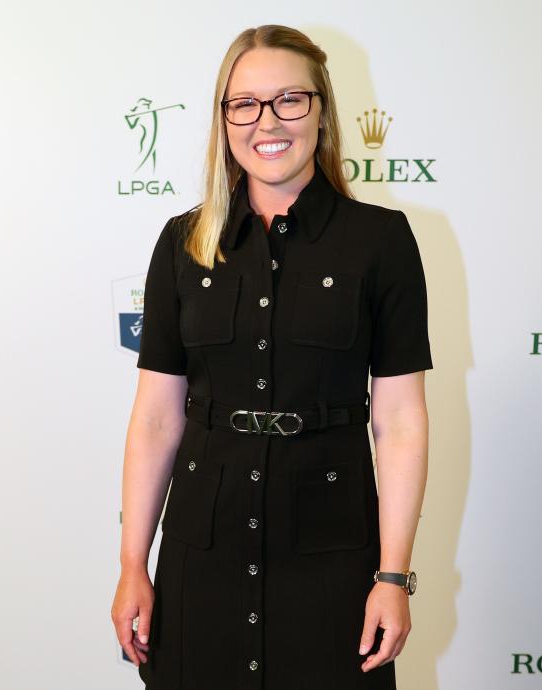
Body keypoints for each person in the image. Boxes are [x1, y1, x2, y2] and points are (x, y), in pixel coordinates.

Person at [111, 24, 432, 689]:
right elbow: (155, 421)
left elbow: (400, 422)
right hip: (203, 553)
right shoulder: (182, 245)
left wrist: (393, 575)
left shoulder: (382, 241)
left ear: (321, 110)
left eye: (290, 99)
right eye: (245, 103)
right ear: (224, 118)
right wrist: (133, 565)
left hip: (331, 555)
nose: (268, 121)